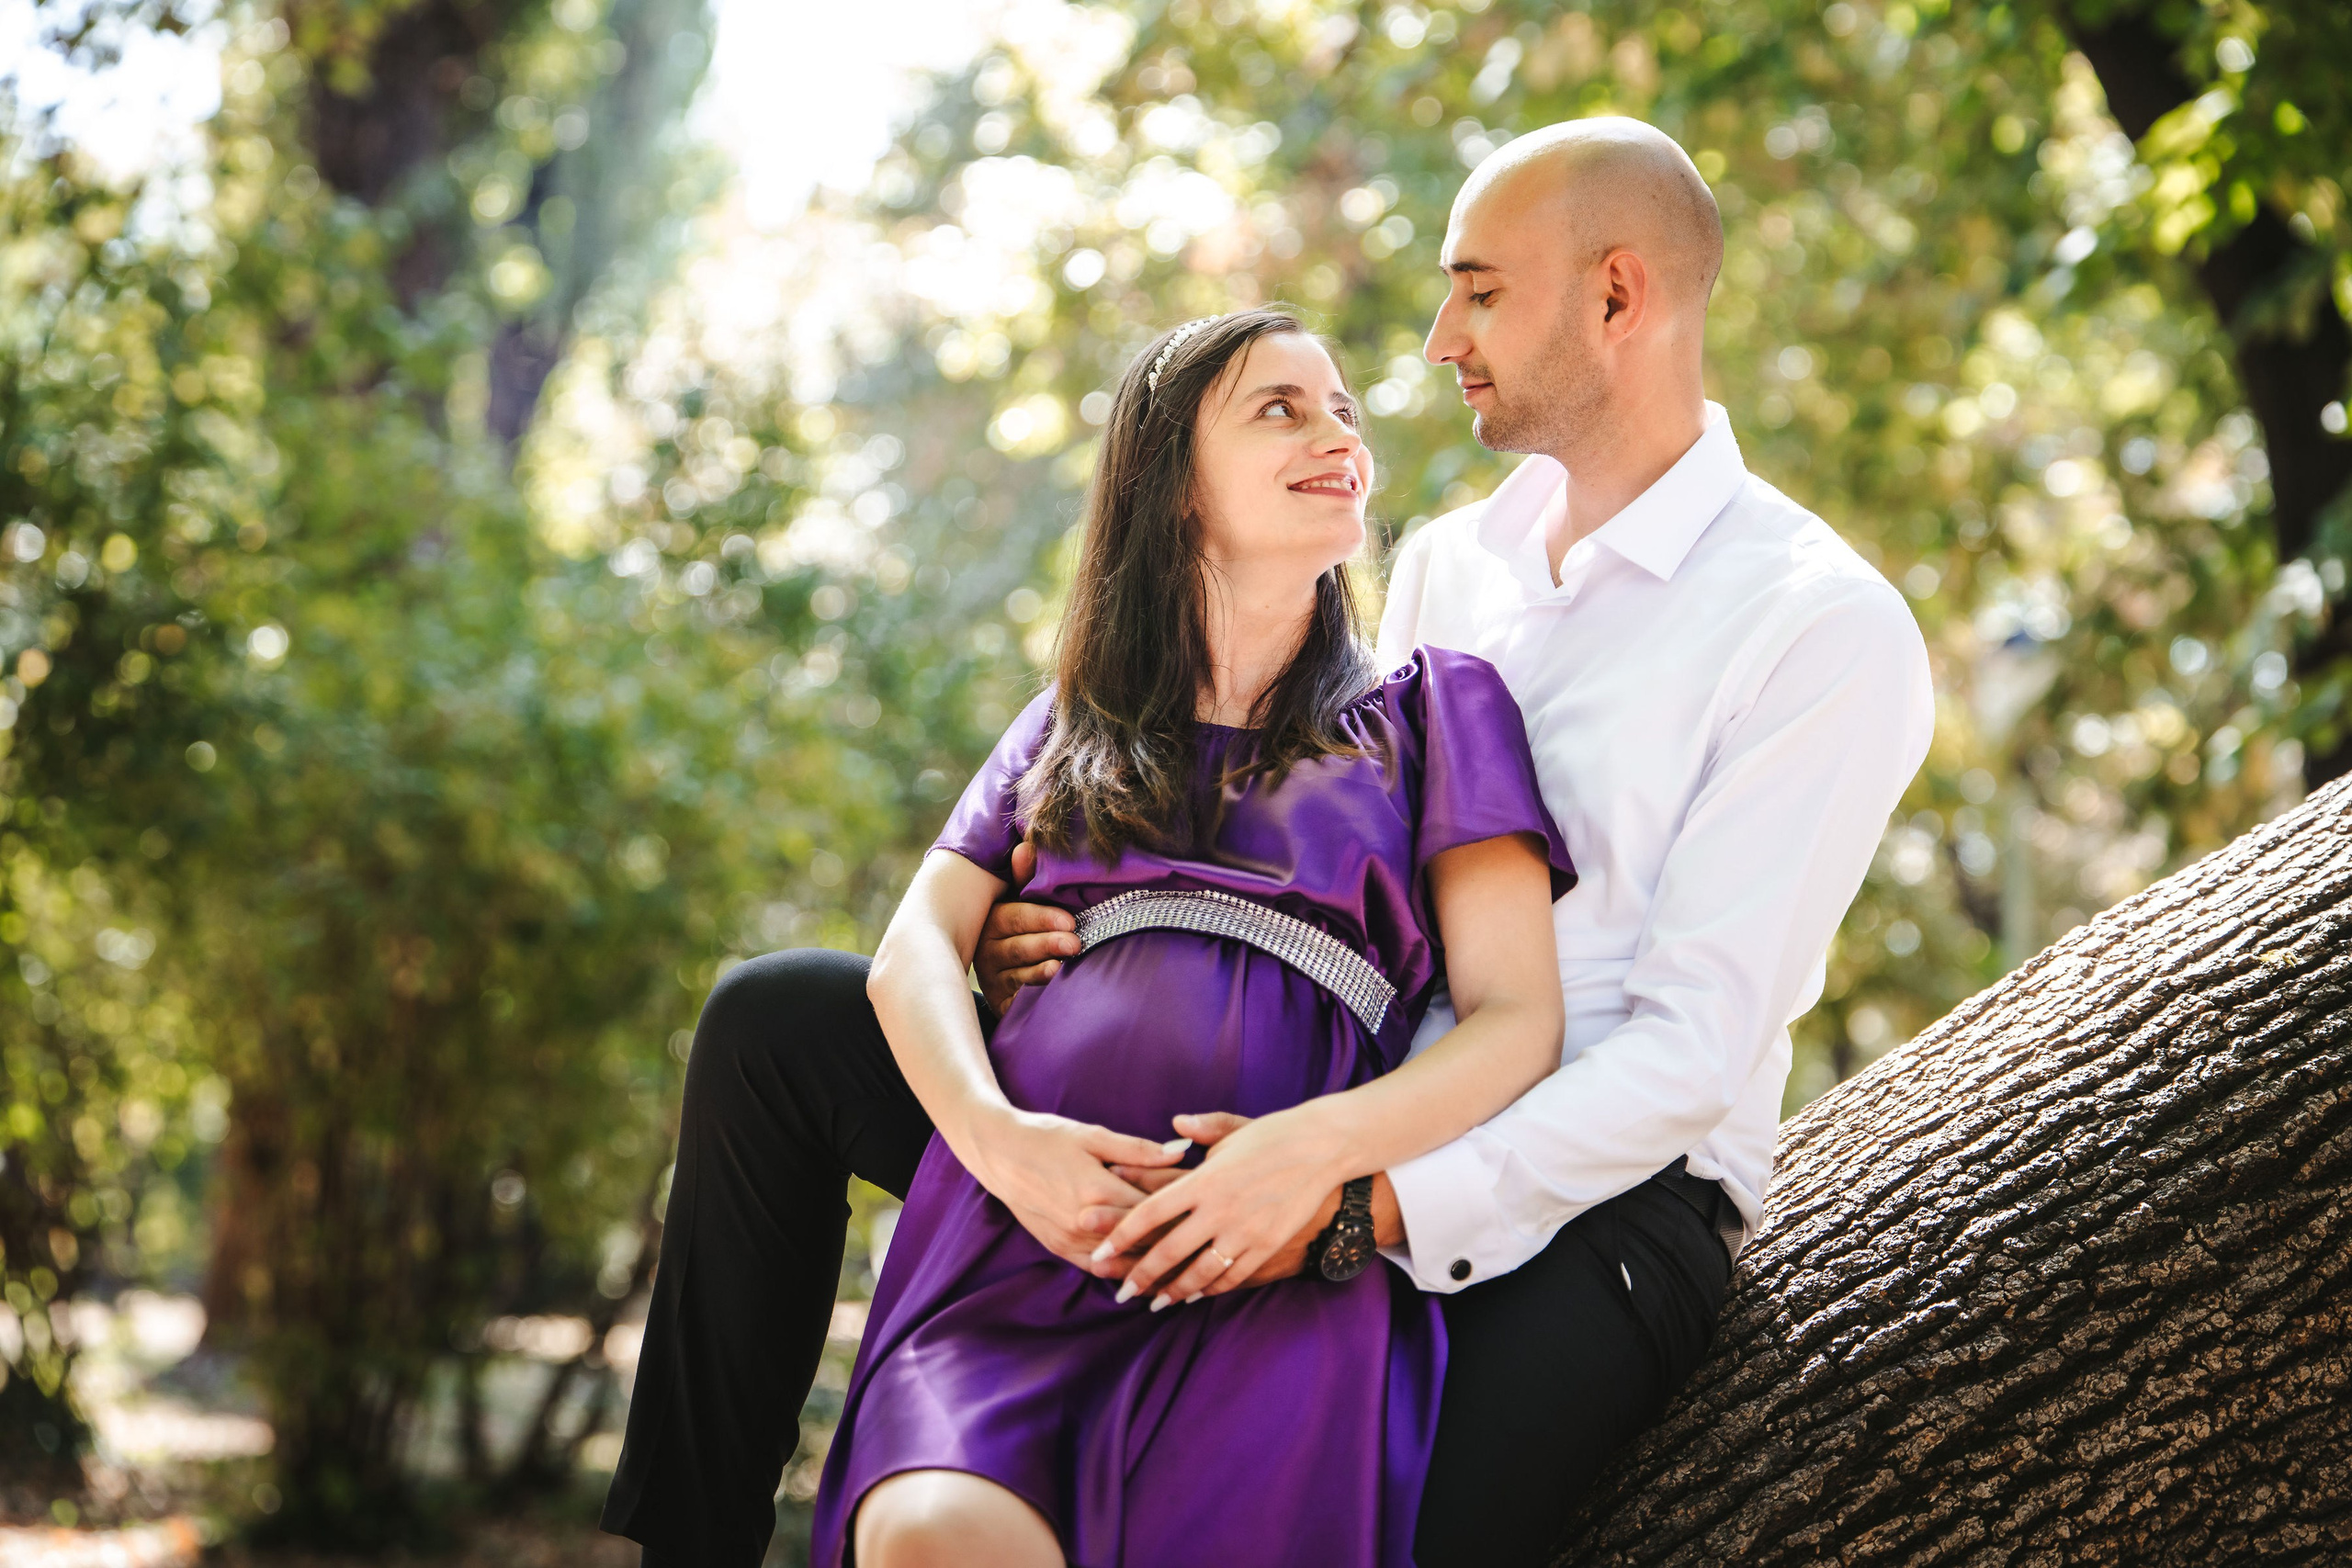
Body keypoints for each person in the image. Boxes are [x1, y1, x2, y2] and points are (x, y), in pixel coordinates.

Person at [604, 116, 1934, 1568]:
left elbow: (1682, 1052)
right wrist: (1057, 942)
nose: (1437, 339)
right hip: (1264, 1116)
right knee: (774, 1026)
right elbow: (1331, 837)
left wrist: (1350, 1201)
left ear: (1617, 297)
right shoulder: (1450, 565)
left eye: (1479, 290)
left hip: (1577, 1200)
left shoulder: (1815, 624)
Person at [812, 307, 1573, 1567]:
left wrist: (1302, 1159)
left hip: (1270, 1268)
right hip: (1019, 1239)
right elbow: (914, 954)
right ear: (1172, 488)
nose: (1336, 433)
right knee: (932, 1533)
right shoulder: (1072, 719)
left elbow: (1517, 1020)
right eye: (1281, 408)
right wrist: (1003, 1148)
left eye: (1344, 409)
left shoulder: (1440, 712)